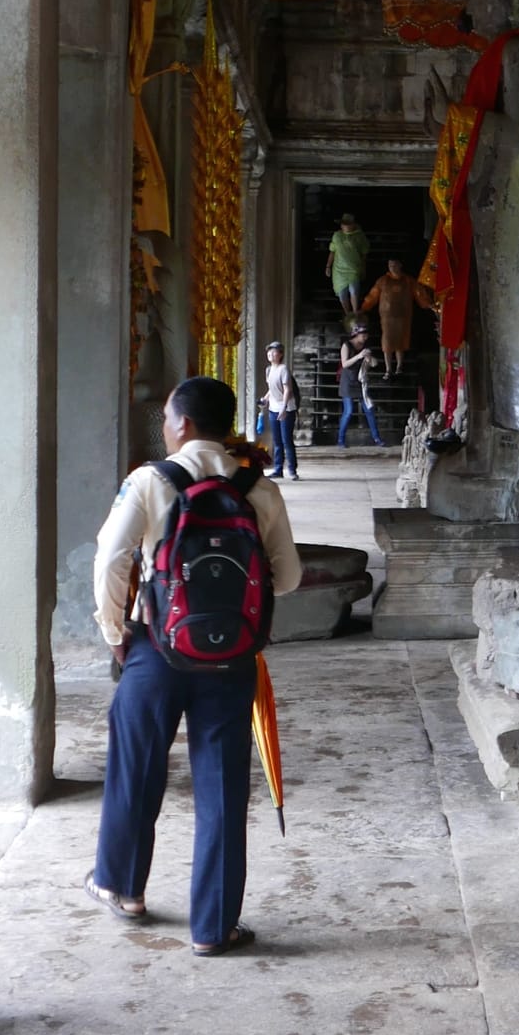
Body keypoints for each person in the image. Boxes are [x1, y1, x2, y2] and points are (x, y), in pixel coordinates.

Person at [88, 375, 302, 954]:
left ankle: (122, 888)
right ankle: (213, 927)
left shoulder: (150, 482)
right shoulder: (259, 490)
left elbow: (109, 558)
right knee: (224, 787)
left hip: (156, 650)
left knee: (136, 767)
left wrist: (115, 632)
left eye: (165, 418)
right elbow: (288, 579)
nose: (163, 427)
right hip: (232, 660)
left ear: (181, 423)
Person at [362, 254, 417, 376]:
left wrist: (429, 304)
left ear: (400, 265)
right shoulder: (383, 280)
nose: (392, 267)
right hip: (387, 318)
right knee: (387, 342)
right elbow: (373, 295)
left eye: (394, 265)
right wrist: (364, 307)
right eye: (390, 265)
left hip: (403, 317)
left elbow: (419, 293)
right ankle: (388, 369)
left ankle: (399, 367)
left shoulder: (408, 281)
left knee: (400, 342)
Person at [337, 325, 385, 447]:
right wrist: (359, 356)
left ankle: (377, 438)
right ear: (356, 335)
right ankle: (341, 440)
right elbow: (345, 364)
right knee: (348, 411)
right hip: (348, 381)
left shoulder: (365, 347)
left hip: (360, 381)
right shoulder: (346, 345)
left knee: (369, 409)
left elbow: (374, 364)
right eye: (363, 335)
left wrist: (369, 357)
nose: (365, 338)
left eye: (366, 336)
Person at [261, 338, 299, 478]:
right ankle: (278, 469)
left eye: (274, 351)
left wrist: (283, 409)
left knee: (286, 440)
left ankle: (292, 470)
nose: (270, 354)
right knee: (277, 441)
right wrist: (265, 399)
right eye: (269, 351)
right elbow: (271, 388)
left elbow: (287, 390)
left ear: (280, 354)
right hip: (273, 407)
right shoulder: (269, 370)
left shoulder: (283, 369)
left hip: (286, 408)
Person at [326, 211, 369, 318]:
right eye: (343, 223)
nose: (345, 226)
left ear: (353, 224)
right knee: (342, 294)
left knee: (354, 290)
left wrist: (363, 269)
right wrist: (328, 266)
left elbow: (364, 254)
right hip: (339, 270)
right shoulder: (337, 236)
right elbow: (332, 251)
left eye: (348, 223)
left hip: (354, 269)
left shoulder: (360, 236)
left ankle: (355, 312)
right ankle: (348, 315)